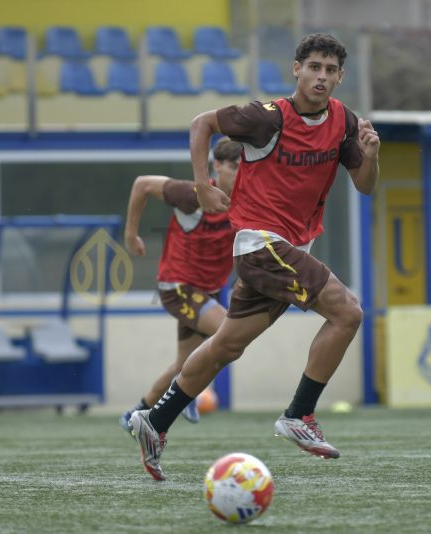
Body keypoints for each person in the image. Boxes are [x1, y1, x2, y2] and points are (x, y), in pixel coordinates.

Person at [130, 33, 381, 481]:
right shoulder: (266, 118)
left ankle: (155, 420)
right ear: (296, 70)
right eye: (314, 67)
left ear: (340, 77)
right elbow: (201, 123)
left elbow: (364, 184)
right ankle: (299, 415)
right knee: (348, 312)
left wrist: (372, 156)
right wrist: (203, 181)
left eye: (330, 70)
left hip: (285, 252)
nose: (321, 76)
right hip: (260, 245)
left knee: (227, 345)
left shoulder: (343, 121)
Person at [119, 137, 242, 433]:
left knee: (183, 365)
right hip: (178, 287)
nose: (241, 174)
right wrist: (131, 234)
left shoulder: (245, 200)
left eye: (245, 167)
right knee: (231, 333)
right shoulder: (193, 195)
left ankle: (136, 413)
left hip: (207, 291)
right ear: (217, 166)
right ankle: (187, 391)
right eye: (236, 167)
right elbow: (142, 184)